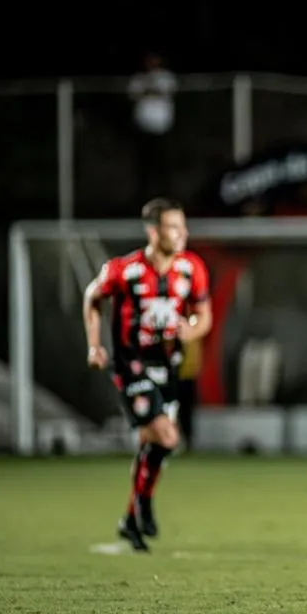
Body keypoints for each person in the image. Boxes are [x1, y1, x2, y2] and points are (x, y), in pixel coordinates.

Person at [82, 198, 212, 552]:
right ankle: (144, 507)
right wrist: (95, 345)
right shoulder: (124, 270)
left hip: (168, 367)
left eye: (183, 226)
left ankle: (129, 520)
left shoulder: (191, 268)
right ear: (153, 231)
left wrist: (192, 329)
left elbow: (205, 316)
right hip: (131, 365)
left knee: (152, 446)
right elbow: (92, 297)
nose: (182, 233)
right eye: (174, 226)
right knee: (169, 437)